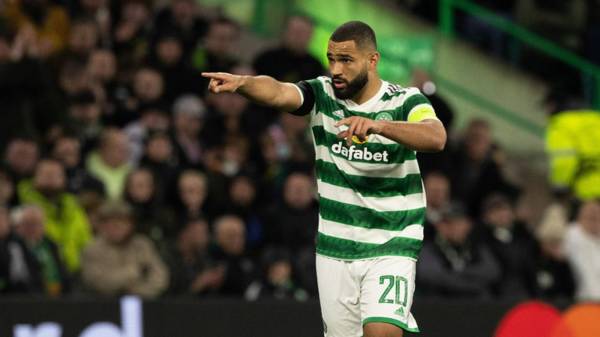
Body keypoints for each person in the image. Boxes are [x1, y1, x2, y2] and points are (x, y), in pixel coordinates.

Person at [202, 20, 447, 337]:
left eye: (346, 60)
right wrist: (242, 83)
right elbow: (279, 92)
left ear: (372, 61)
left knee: (381, 332)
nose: (336, 69)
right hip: (335, 247)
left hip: (391, 242)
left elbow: (436, 136)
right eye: (332, 59)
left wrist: (379, 126)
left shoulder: (405, 101)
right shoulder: (322, 94)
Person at [81, 201, 169, 298]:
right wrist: (132, 272)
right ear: (102, 225)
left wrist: (138, 291)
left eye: (121, 221)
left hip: (143, 301)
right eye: (110, 222)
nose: (116, 226)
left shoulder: (142, 244)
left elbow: (160, 277)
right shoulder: (93, 248)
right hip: (103, 304)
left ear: (131, 224)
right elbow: (97, 281)